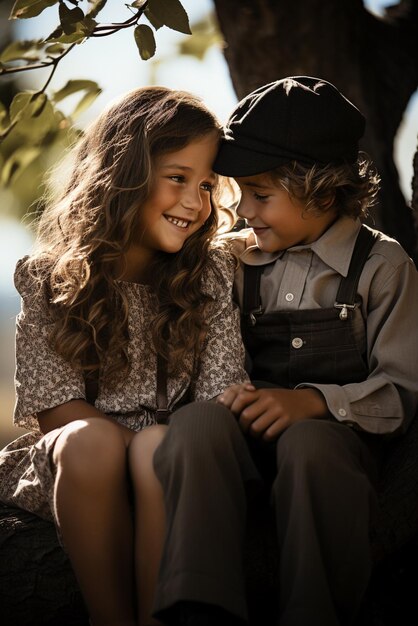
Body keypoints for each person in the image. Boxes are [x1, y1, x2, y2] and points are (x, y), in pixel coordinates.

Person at [152, 77, 418, 626]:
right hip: (244, 450)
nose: (242, 208)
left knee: (309, 447)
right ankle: (199, 602)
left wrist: (314, 403)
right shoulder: (229, 261)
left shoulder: (383, 267)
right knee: (198, 423)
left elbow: (401, 389)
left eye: (260, 194)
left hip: (332, 450)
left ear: (320, 191)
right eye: (240, 191)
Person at [0, 86, 254, 626]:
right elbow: (53, 408)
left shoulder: (206, 275)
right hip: (83, 465)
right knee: (93, 442)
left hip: (174, 461)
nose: (196, 202)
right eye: (178, 178)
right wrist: (134, 449)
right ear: (125, 173)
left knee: (161, 447)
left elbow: (220, 391)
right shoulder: (51, 278)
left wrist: (152, 453)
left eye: (207, 185)